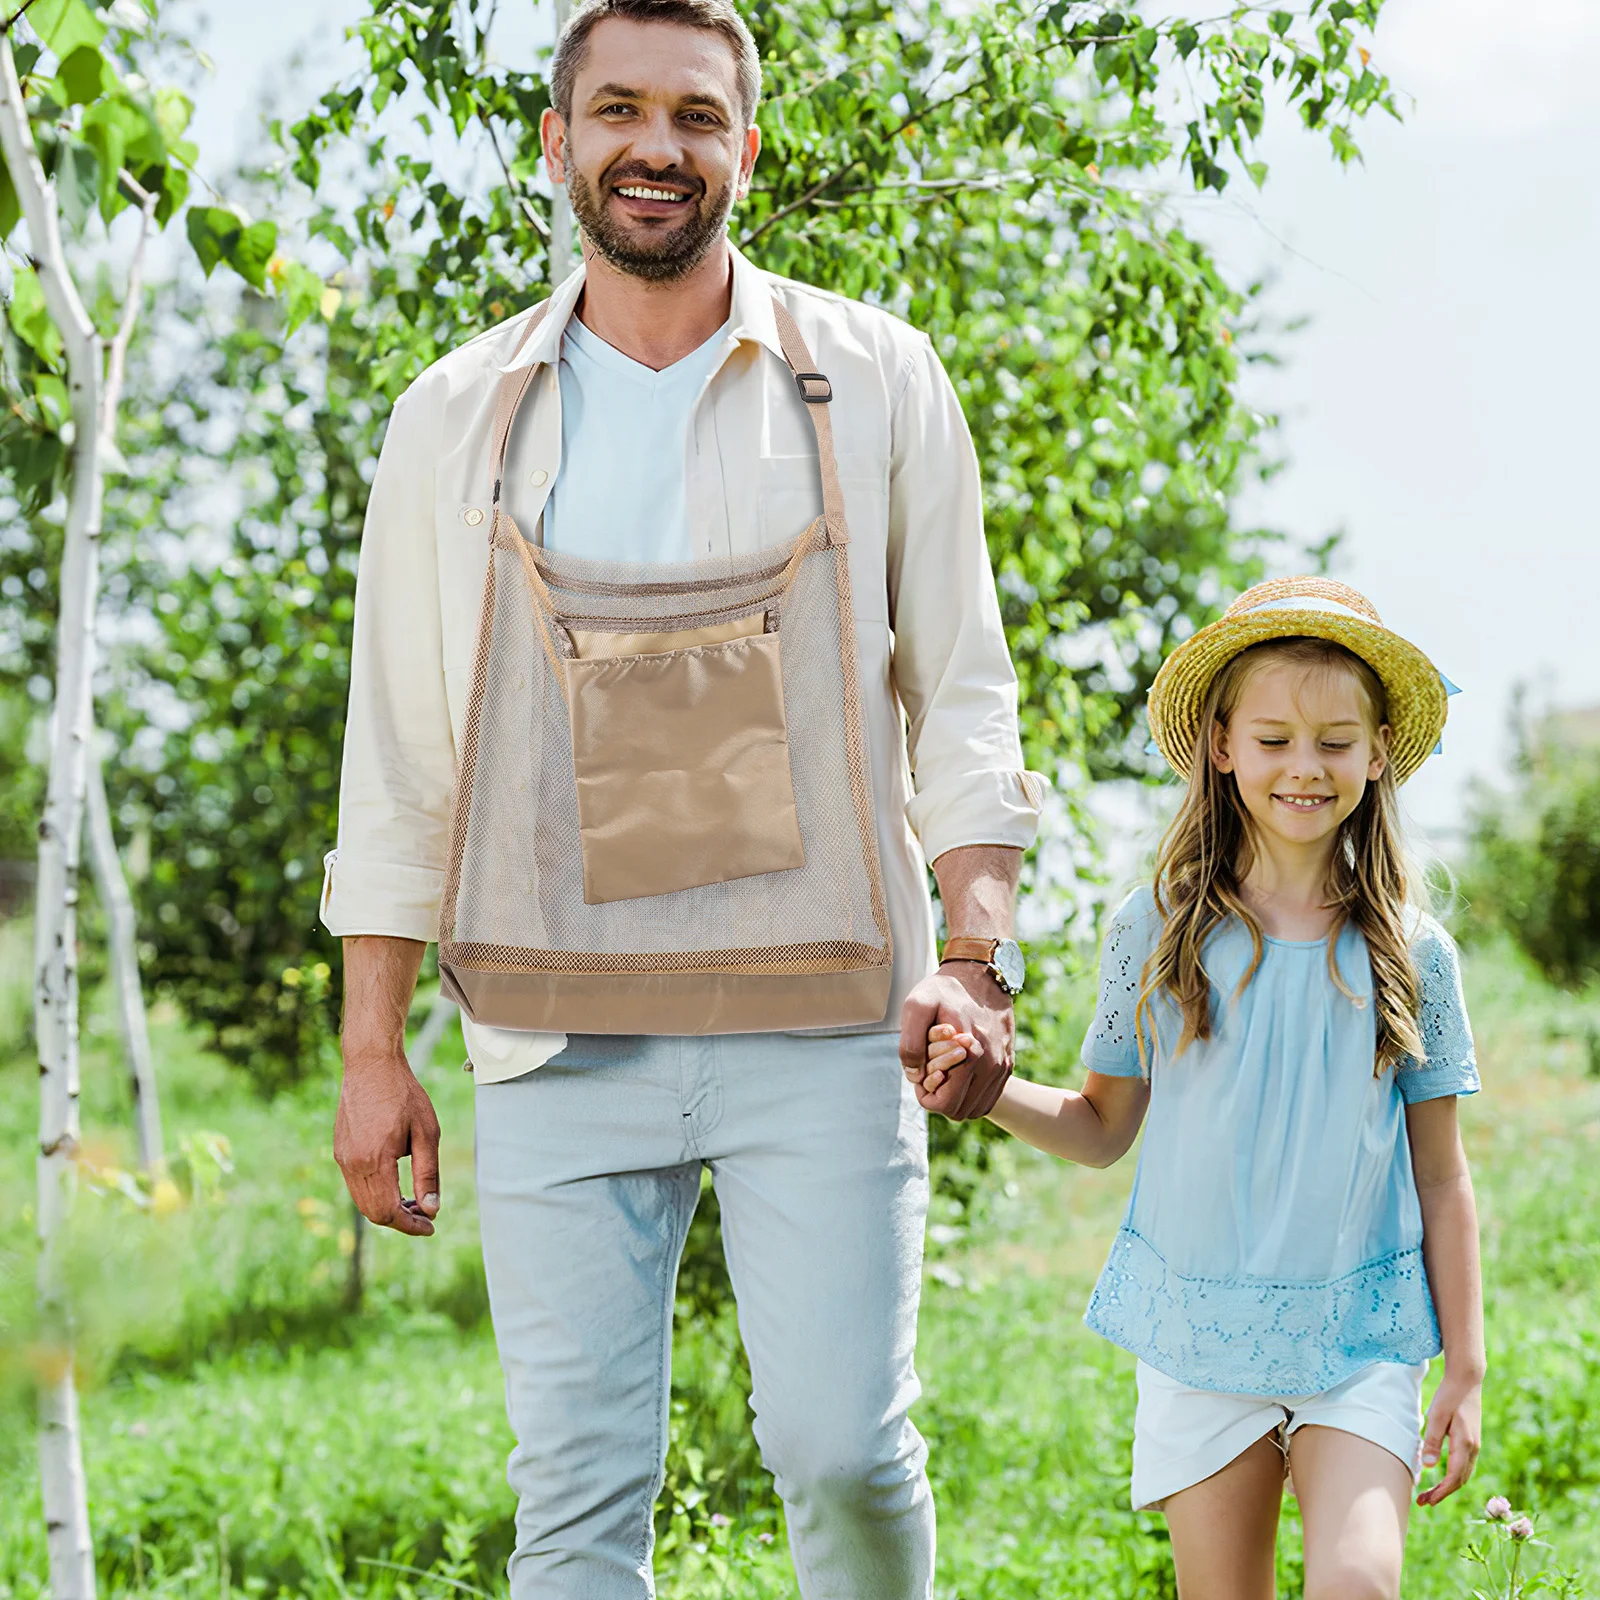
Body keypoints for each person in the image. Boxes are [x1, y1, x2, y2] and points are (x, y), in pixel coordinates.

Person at [320, 1, 1046, 1596]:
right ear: (559, 142)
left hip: (825, 1028)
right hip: (551, 1040)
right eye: (624, 111)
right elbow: (402, 754)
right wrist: (374, 1052)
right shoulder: (455, 417)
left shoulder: (870, 379)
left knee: (849, 1457)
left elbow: (965, 692)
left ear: (747, 146)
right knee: (575, 1503)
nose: (661, 146)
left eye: (700, 117)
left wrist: (978, 954)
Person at [914, 576, 1484, 1600]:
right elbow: (1098, 1128)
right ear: (1221, 745)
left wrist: (1467, 1368)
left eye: (1334, 740)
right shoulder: (1156, 929)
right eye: (1273, 738)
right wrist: (989, 1089)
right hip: (1198, 1341)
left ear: (1378, 750)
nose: (1303, 766)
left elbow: (1442, 1178)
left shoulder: (1411, 952)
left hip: (1358, 1340)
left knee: (1359, 1582)